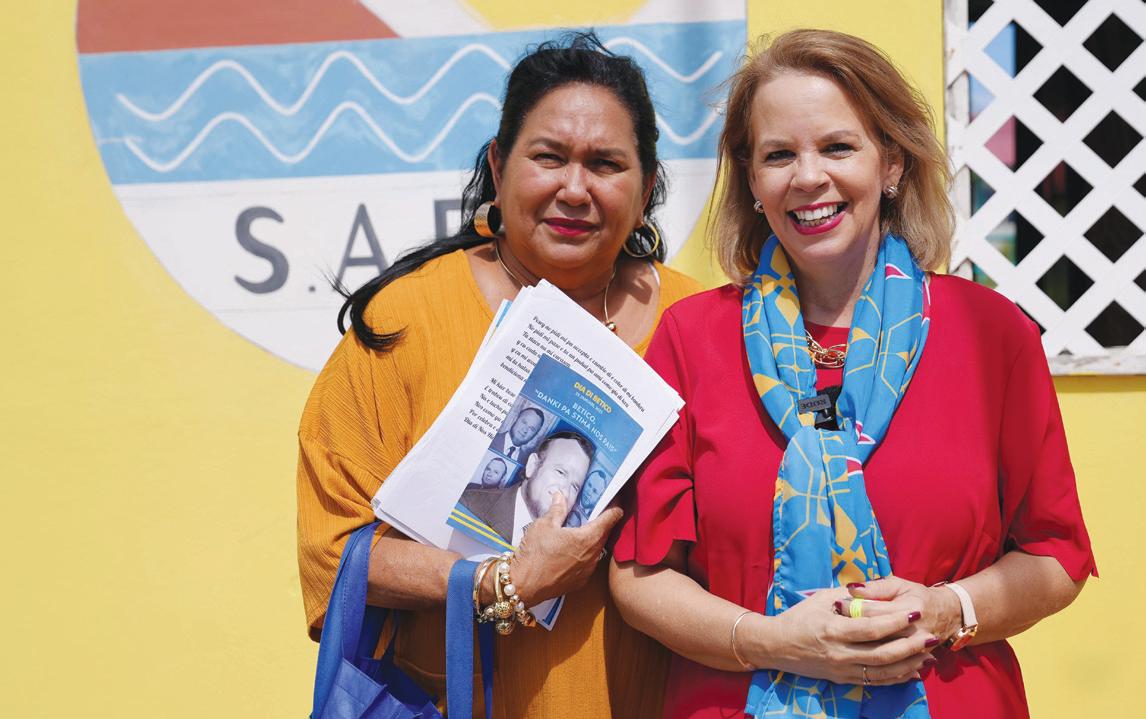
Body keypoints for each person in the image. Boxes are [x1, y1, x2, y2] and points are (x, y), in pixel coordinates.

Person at [609, 29, 1095, 719]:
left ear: (891, 162)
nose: (808, 177)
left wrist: (946, 608)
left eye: (838, 147)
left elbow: (1055, 555)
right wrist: (773, 642)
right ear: (752, 180)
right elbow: (640, 576)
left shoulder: (992, 334)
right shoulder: (691, 340)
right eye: (779, 155)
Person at [297, 33, 702, 718]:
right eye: (549, 157)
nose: (574, 188)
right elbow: (331, 553)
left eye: (606, 164)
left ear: (648, 187)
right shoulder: (406, 322)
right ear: (498, 163)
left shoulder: (701, 325)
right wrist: (502, 580)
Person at [461, 430, 595, 541]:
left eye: (575, 486)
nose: (565, 492)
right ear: (532, 465)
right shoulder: (470, 503)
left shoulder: (563, 547)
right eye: (560, 472)